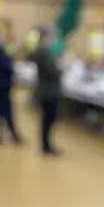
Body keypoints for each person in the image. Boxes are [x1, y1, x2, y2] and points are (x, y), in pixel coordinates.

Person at [30, 26, 62, 155]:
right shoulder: (45, 53)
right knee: (48, 119)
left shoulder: (40, 52)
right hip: (49, 91)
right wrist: (63, 66)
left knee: (47, 119)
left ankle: (46, 144)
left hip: (45, 90)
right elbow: (53, 72)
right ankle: (46, 146)